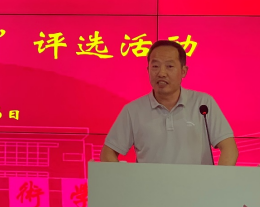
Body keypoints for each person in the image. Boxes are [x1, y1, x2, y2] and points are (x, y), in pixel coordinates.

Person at [100, 40, 238, 165]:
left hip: (197, 185)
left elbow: (229, 149)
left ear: (183, 71)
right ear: (148, 70)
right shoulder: (133, 110)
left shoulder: (203, 104)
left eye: (169, 66)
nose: (161, 73)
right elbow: (107, 154)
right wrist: (127, 181)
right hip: (149, 185)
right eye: (155, 66)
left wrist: (216, 181)